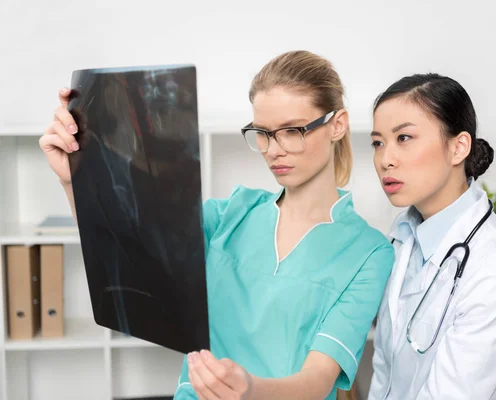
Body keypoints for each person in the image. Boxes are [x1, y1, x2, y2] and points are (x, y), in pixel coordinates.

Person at [39, 50, 395, 400]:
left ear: (337, 125)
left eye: (291, 130)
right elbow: (124, 253)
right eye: (262, 132)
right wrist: (75, 180)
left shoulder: (369, 253)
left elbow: (318, 380)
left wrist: (250, 391)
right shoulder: (228, 216)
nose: (273, 150)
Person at [367, 73, 496, 400]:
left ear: (458, 147)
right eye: (378, 142)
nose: (385, 159)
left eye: (403, 138)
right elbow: (384, 372)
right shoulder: (401, 235)